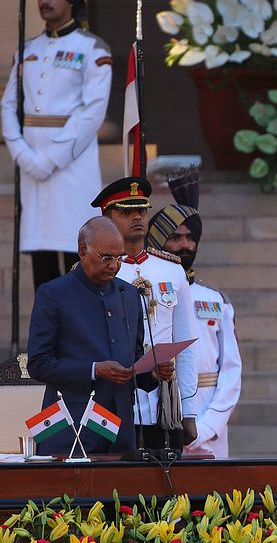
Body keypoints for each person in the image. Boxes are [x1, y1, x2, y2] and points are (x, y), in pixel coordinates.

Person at [26, 217, 172, 456]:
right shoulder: (53, 294)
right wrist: (94, 369)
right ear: (83, 250)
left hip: (122, 427)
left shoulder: (130, 294)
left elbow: (133, 359)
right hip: (71, 426)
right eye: (106, 258)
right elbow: (38, 364)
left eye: (119, 258)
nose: (114, 266)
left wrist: (153, 373)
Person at [1, 0, 110, 290]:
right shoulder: (28, 50)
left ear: (72, 0)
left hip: (71, 167)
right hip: (32, 168)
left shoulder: (93, 49)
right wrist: (23, 154)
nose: (44, 1)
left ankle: (76, 336)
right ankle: (47, 335)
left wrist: (49, 159)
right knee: (42, 257)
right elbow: (9, 106)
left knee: (76, 251)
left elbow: (92, 113)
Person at [91, 177, 197, 453]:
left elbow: (185, 342)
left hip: (163, 401)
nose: (137, 217)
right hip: (113, 401)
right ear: (106, 217)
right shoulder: (93, 271)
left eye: (141, 210)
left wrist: (190, 409)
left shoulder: (172, 270)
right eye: (126, 212)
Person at [147, 167, 243, 458]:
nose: (185, 245)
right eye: (175, 237)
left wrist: (208, 426)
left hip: (210, 423)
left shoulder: (215, 299)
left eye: (190, 237)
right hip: (158, 414)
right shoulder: (141, 289)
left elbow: (230, 370)